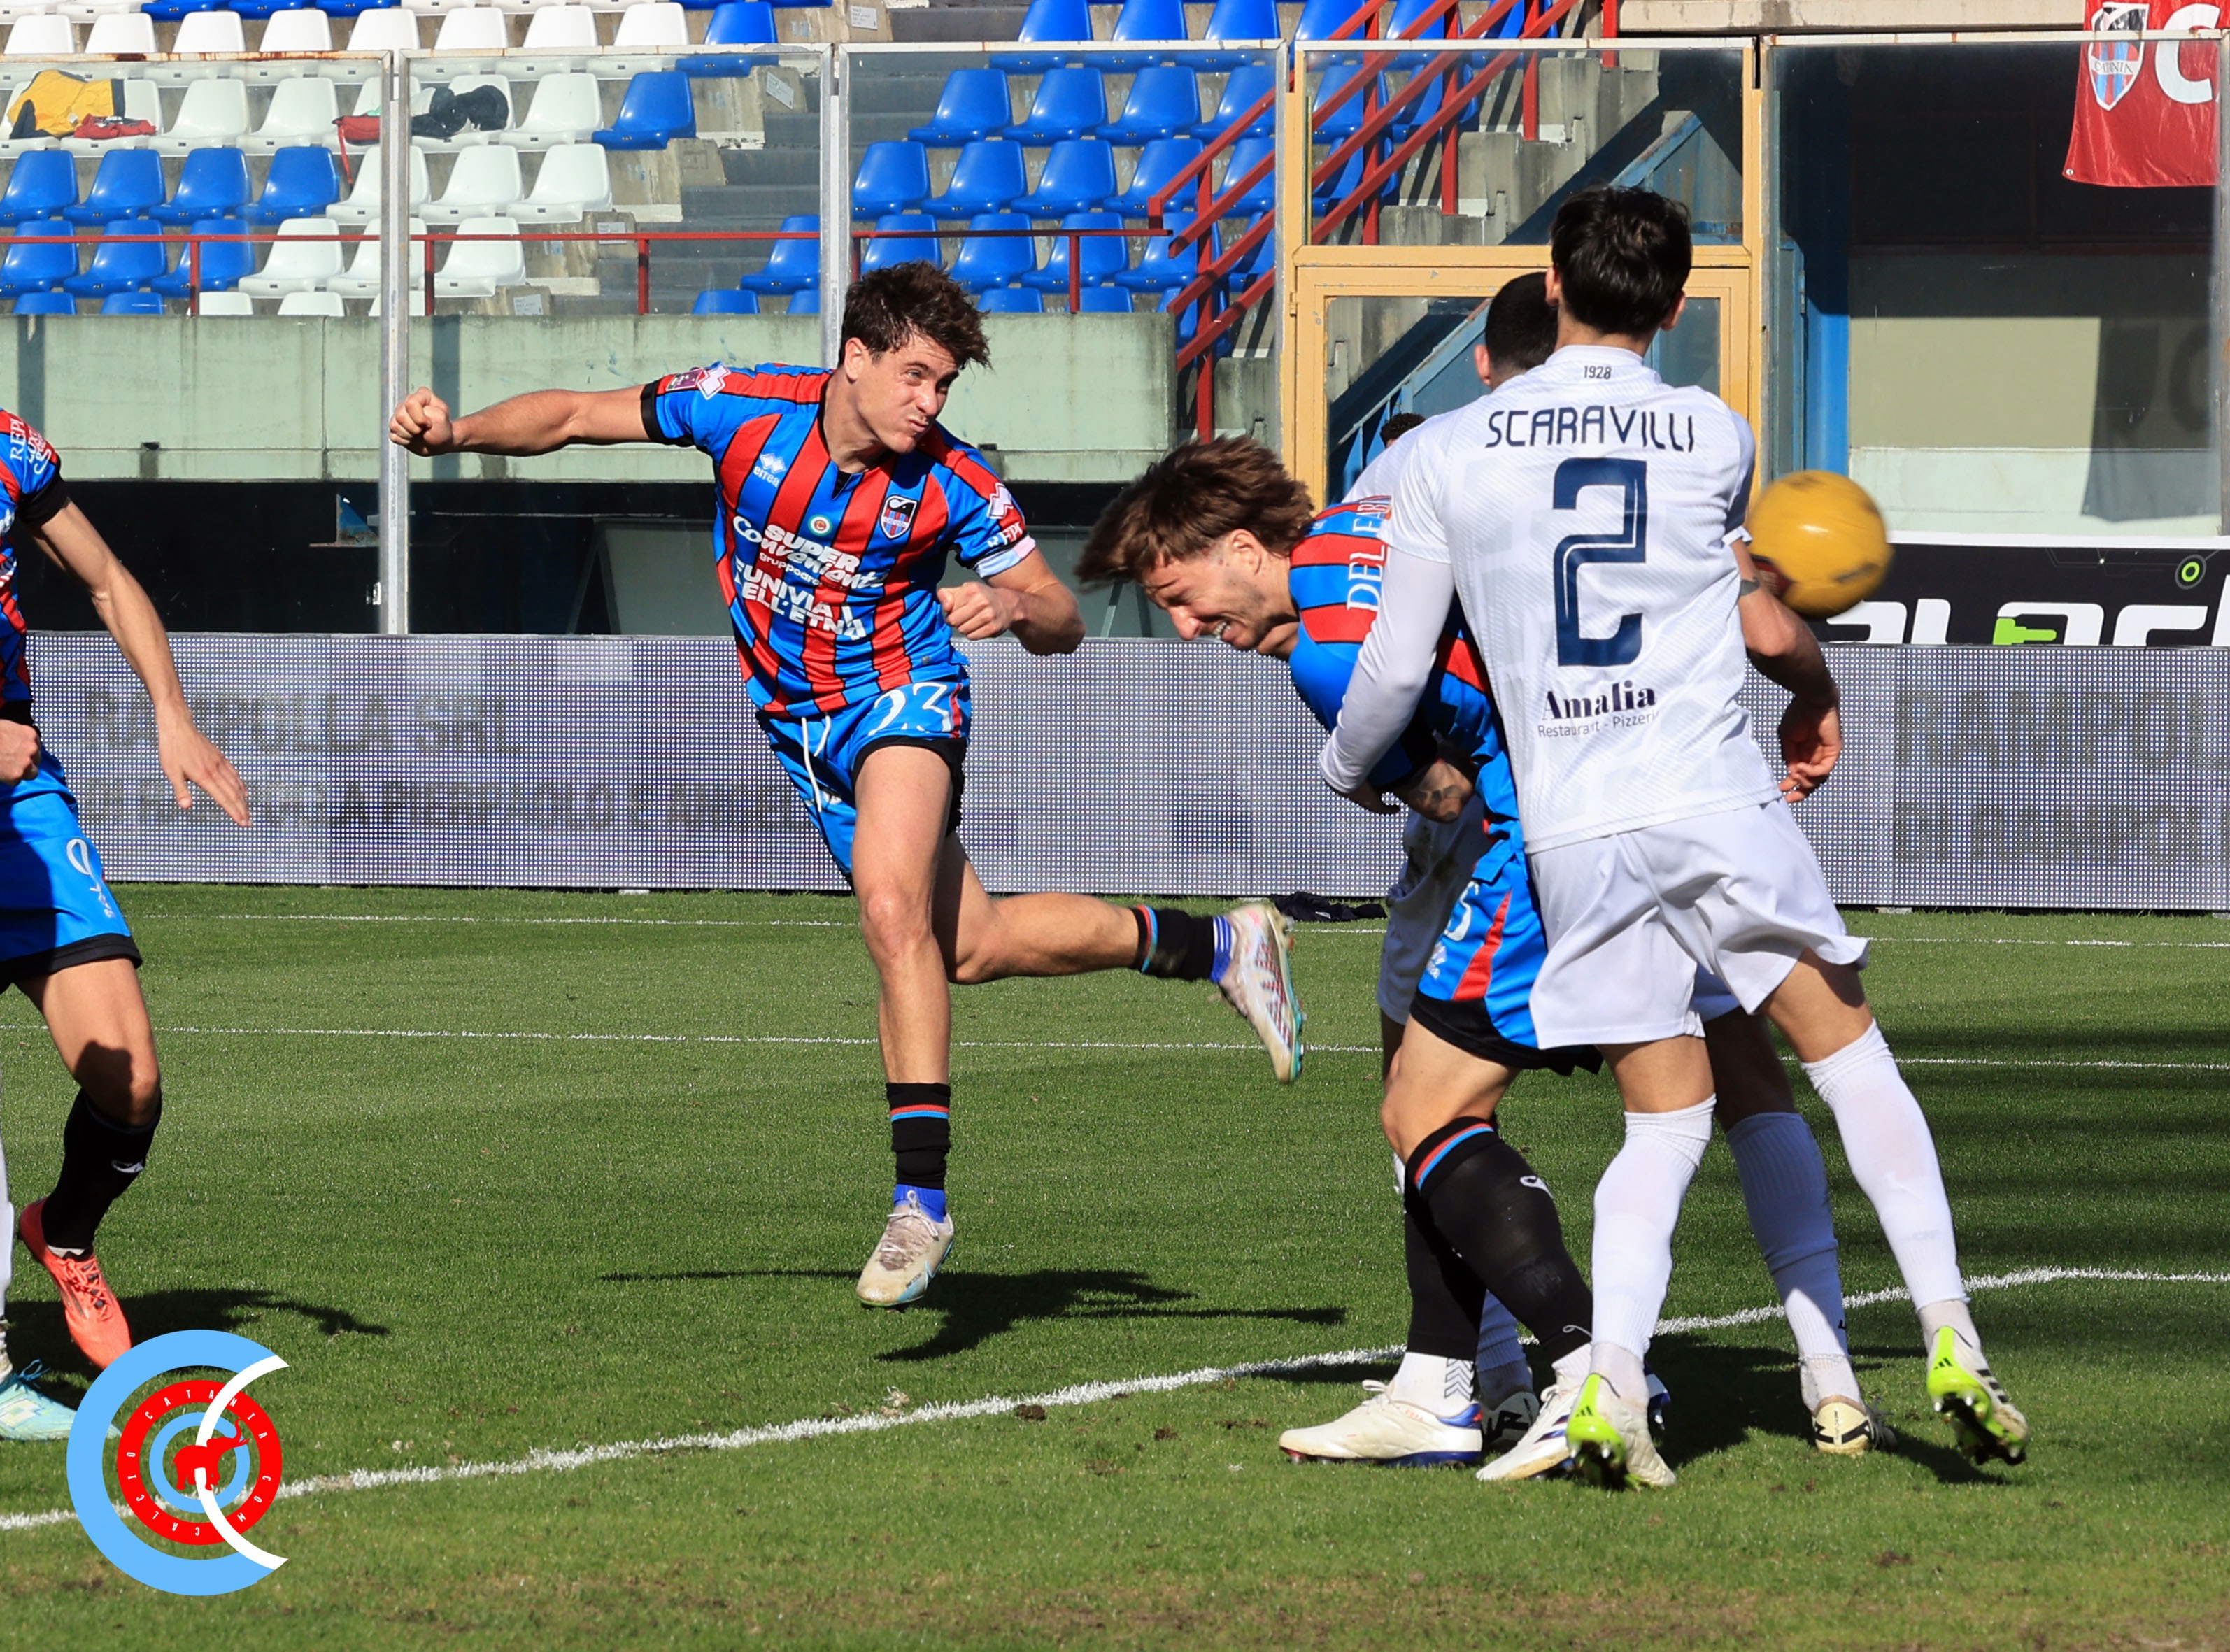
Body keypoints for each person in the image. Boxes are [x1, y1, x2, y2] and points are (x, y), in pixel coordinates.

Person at [388, 263, 1305, 1311]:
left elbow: (1061, 617)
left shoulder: (955, 483)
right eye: (916, 376)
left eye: (944, 384)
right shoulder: (740, 410)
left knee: (889, 907)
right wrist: (456, 435)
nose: (930, 401)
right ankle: (1218, 944)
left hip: (905, 699)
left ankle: (921, 1202)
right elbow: (573, 417)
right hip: (800, 726)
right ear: (855, 358)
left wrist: (1012, 610)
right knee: (969, 946)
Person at [1321, 185, 2030, 1485]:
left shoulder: (1446, 452)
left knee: (1662, 1125)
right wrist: (1812, 692)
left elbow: (1394, 667)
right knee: (1848, 1060)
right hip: (1712, 797)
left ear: (1550, 279)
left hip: (1576, 831)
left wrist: (1344, 764)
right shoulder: (1714, 433)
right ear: (1681, 301)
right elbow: (1745, 608)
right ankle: (1950, 1333)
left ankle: (1610, 1386)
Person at [1079, 436, 1882, 1479]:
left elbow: (1447, 791)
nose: (1188, 630)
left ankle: (1582, 1371)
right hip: (1689, 792)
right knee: (1735, 1074)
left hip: (1550, 840)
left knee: (1429, 1104)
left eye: (1181, 599)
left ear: (1240, 545)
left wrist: (1362, 766)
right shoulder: (1380, 517)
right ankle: (1813, 1375)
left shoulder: (1334, 643)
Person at [0, 408, 251, 1440]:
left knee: (130, 1078)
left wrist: (171, 713)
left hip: (18, 798)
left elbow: (105, 579)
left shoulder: (8, 449)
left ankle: (64, 1233)